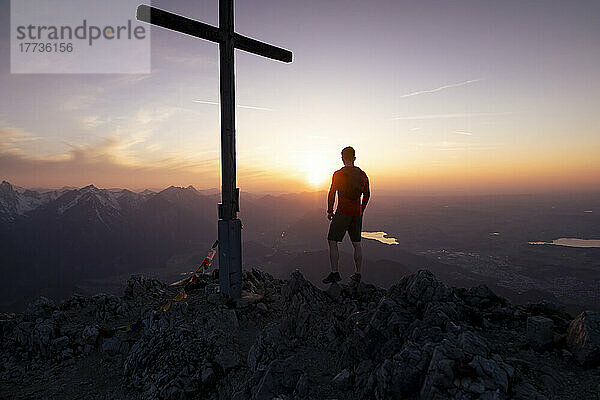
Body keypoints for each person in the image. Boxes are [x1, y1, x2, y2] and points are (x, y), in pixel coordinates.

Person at [323, 146, 370, 284]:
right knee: (357, 244)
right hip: (357, 212)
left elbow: (332, 192)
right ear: (354, 158)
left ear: (342, 158)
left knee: (332, 241)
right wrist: (361, 209)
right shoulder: (363, 175)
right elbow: (367, 194)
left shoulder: (338, 174)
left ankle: (334, 272)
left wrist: (330, 211)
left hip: (343, 211)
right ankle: (358, 273)